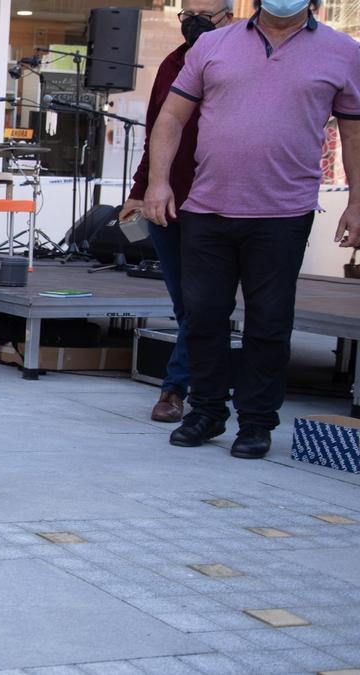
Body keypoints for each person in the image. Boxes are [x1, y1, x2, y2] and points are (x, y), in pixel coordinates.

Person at [143, 0, 360, 459]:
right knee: (202, 318)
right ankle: (206, 411)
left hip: (284, 213)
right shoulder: (213, 45)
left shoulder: (343, 51)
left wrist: (357, 203)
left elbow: (354, 130)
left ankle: (257, 423)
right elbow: (171, 117)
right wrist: (157, 183)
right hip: (206, 208)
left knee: (269, 323)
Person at [120, 0, 233, 424]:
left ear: (230, 16)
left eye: (204, 14)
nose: (194, 22)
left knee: (203, 303)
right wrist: (140, 188)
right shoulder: (172, 64)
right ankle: (202, 387)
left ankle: (177, 388)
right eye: (187, 15)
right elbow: (157, 131)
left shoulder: (242, 63)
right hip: (168, 200)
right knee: (186, 304)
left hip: (221, 203)